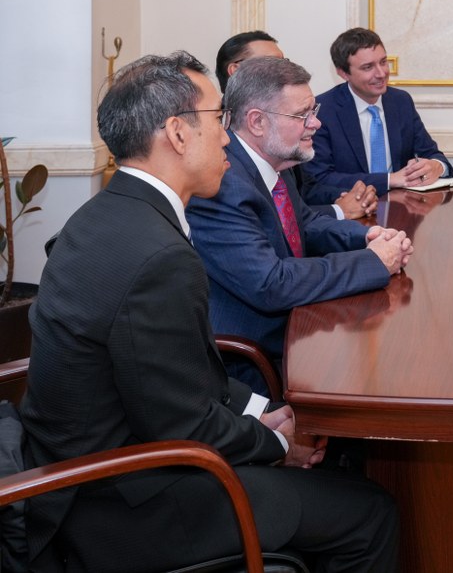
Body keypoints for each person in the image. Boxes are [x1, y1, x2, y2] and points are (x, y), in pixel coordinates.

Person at [19, 52, 399, 572]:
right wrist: (276, 442)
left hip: (90, 471)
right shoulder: (158, 256)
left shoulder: (105, 214)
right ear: (177, 134)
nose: (226, 136)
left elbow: (171, 378)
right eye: (218, 118)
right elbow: (183, 423)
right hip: (130, 498)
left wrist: (257, 413)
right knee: (371, 512)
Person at [186, 56, 414, 391]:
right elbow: (271, 283)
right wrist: (373, 262)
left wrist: (366, 236)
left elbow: (303, 223)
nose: (316, 123)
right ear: (257, 122)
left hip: (298, 328)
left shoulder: (277, 162)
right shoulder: (224, 184)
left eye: (313, 110)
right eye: (302, 115)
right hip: (254, 364)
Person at [215, 30, 378, 219]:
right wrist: (340, 210)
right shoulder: (221, 147)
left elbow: (303, 193)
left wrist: (355, 198)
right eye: (272, 63)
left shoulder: (281, 133)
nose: (283, 69)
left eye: (284, 62)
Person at [301, 27, 453, 204]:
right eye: (368, 67)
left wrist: (437, 166)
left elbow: (432, 153)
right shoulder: (323, 110)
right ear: (343, 73)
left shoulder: (401, 101)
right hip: (352, 212)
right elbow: (320, 178)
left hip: (402, 208)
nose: (381, 74)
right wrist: (390, 180)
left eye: (383, 62)